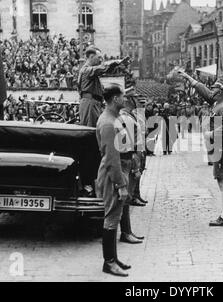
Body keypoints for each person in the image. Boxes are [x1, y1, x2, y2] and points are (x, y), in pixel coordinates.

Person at [179, 71, 223, 227]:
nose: (212, 91)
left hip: (222, 146)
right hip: (219, 146)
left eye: (215, 89)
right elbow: (204, 91)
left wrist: (211, 133)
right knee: (221, 179)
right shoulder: (218, 102)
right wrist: (189, 78)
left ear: (221, 91)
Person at [95, 84, 129, 277]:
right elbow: (111, 158)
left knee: (115, 216)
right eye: (122, 97)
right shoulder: (108, 122)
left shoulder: (111, 118)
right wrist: (120, 184)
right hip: (111, 175)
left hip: (112, 171)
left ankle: (113, 258)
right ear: (115, 99)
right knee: (111, 217)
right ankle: (108, 262)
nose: (124, 100)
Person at [78, 46, 120, 197]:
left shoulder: (91, 72)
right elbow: (100, 70)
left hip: (94, 104)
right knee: (90, 138)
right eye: (98, 58)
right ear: (90, 57)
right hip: (89, 105)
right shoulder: (86, 70)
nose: (101, 60)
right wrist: (113, 63)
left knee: (96, 139)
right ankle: (89, 180)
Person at [117, 88, 146, 246]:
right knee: (125, 197)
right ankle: (125, 232)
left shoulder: (129, 116)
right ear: (129, 100)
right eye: (134, 98)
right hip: (128, 160)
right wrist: (135, 166)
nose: (137, 101)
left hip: (131, 159)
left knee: (127, 197)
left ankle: (127, 231)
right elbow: (129, 146)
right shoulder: (126, 118)